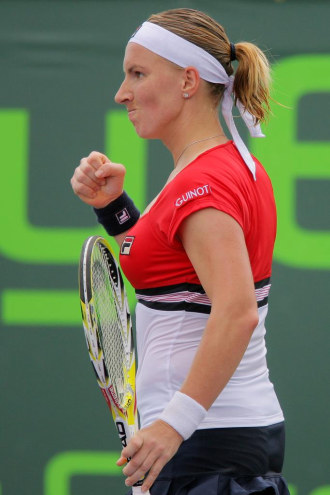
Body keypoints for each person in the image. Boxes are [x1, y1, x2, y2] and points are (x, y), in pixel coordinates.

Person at [71, 8, 290, 495]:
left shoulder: (203, 184)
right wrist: (114, 210)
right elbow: (170, 267)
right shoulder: (228, 168)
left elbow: (236, 313)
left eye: (138, 73)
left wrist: (173, 426)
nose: (121, 92)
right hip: (223, 440)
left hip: (204, 447)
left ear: (188, 80)